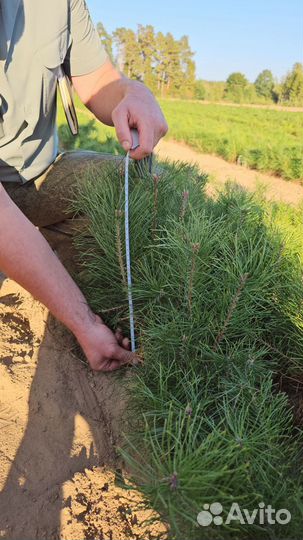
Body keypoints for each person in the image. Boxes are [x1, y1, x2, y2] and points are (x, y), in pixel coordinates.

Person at [0, 0, 168, 372]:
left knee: (145, 184)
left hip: (38, 173)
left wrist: (132, 93)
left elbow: (97, 80)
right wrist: (84, 323)